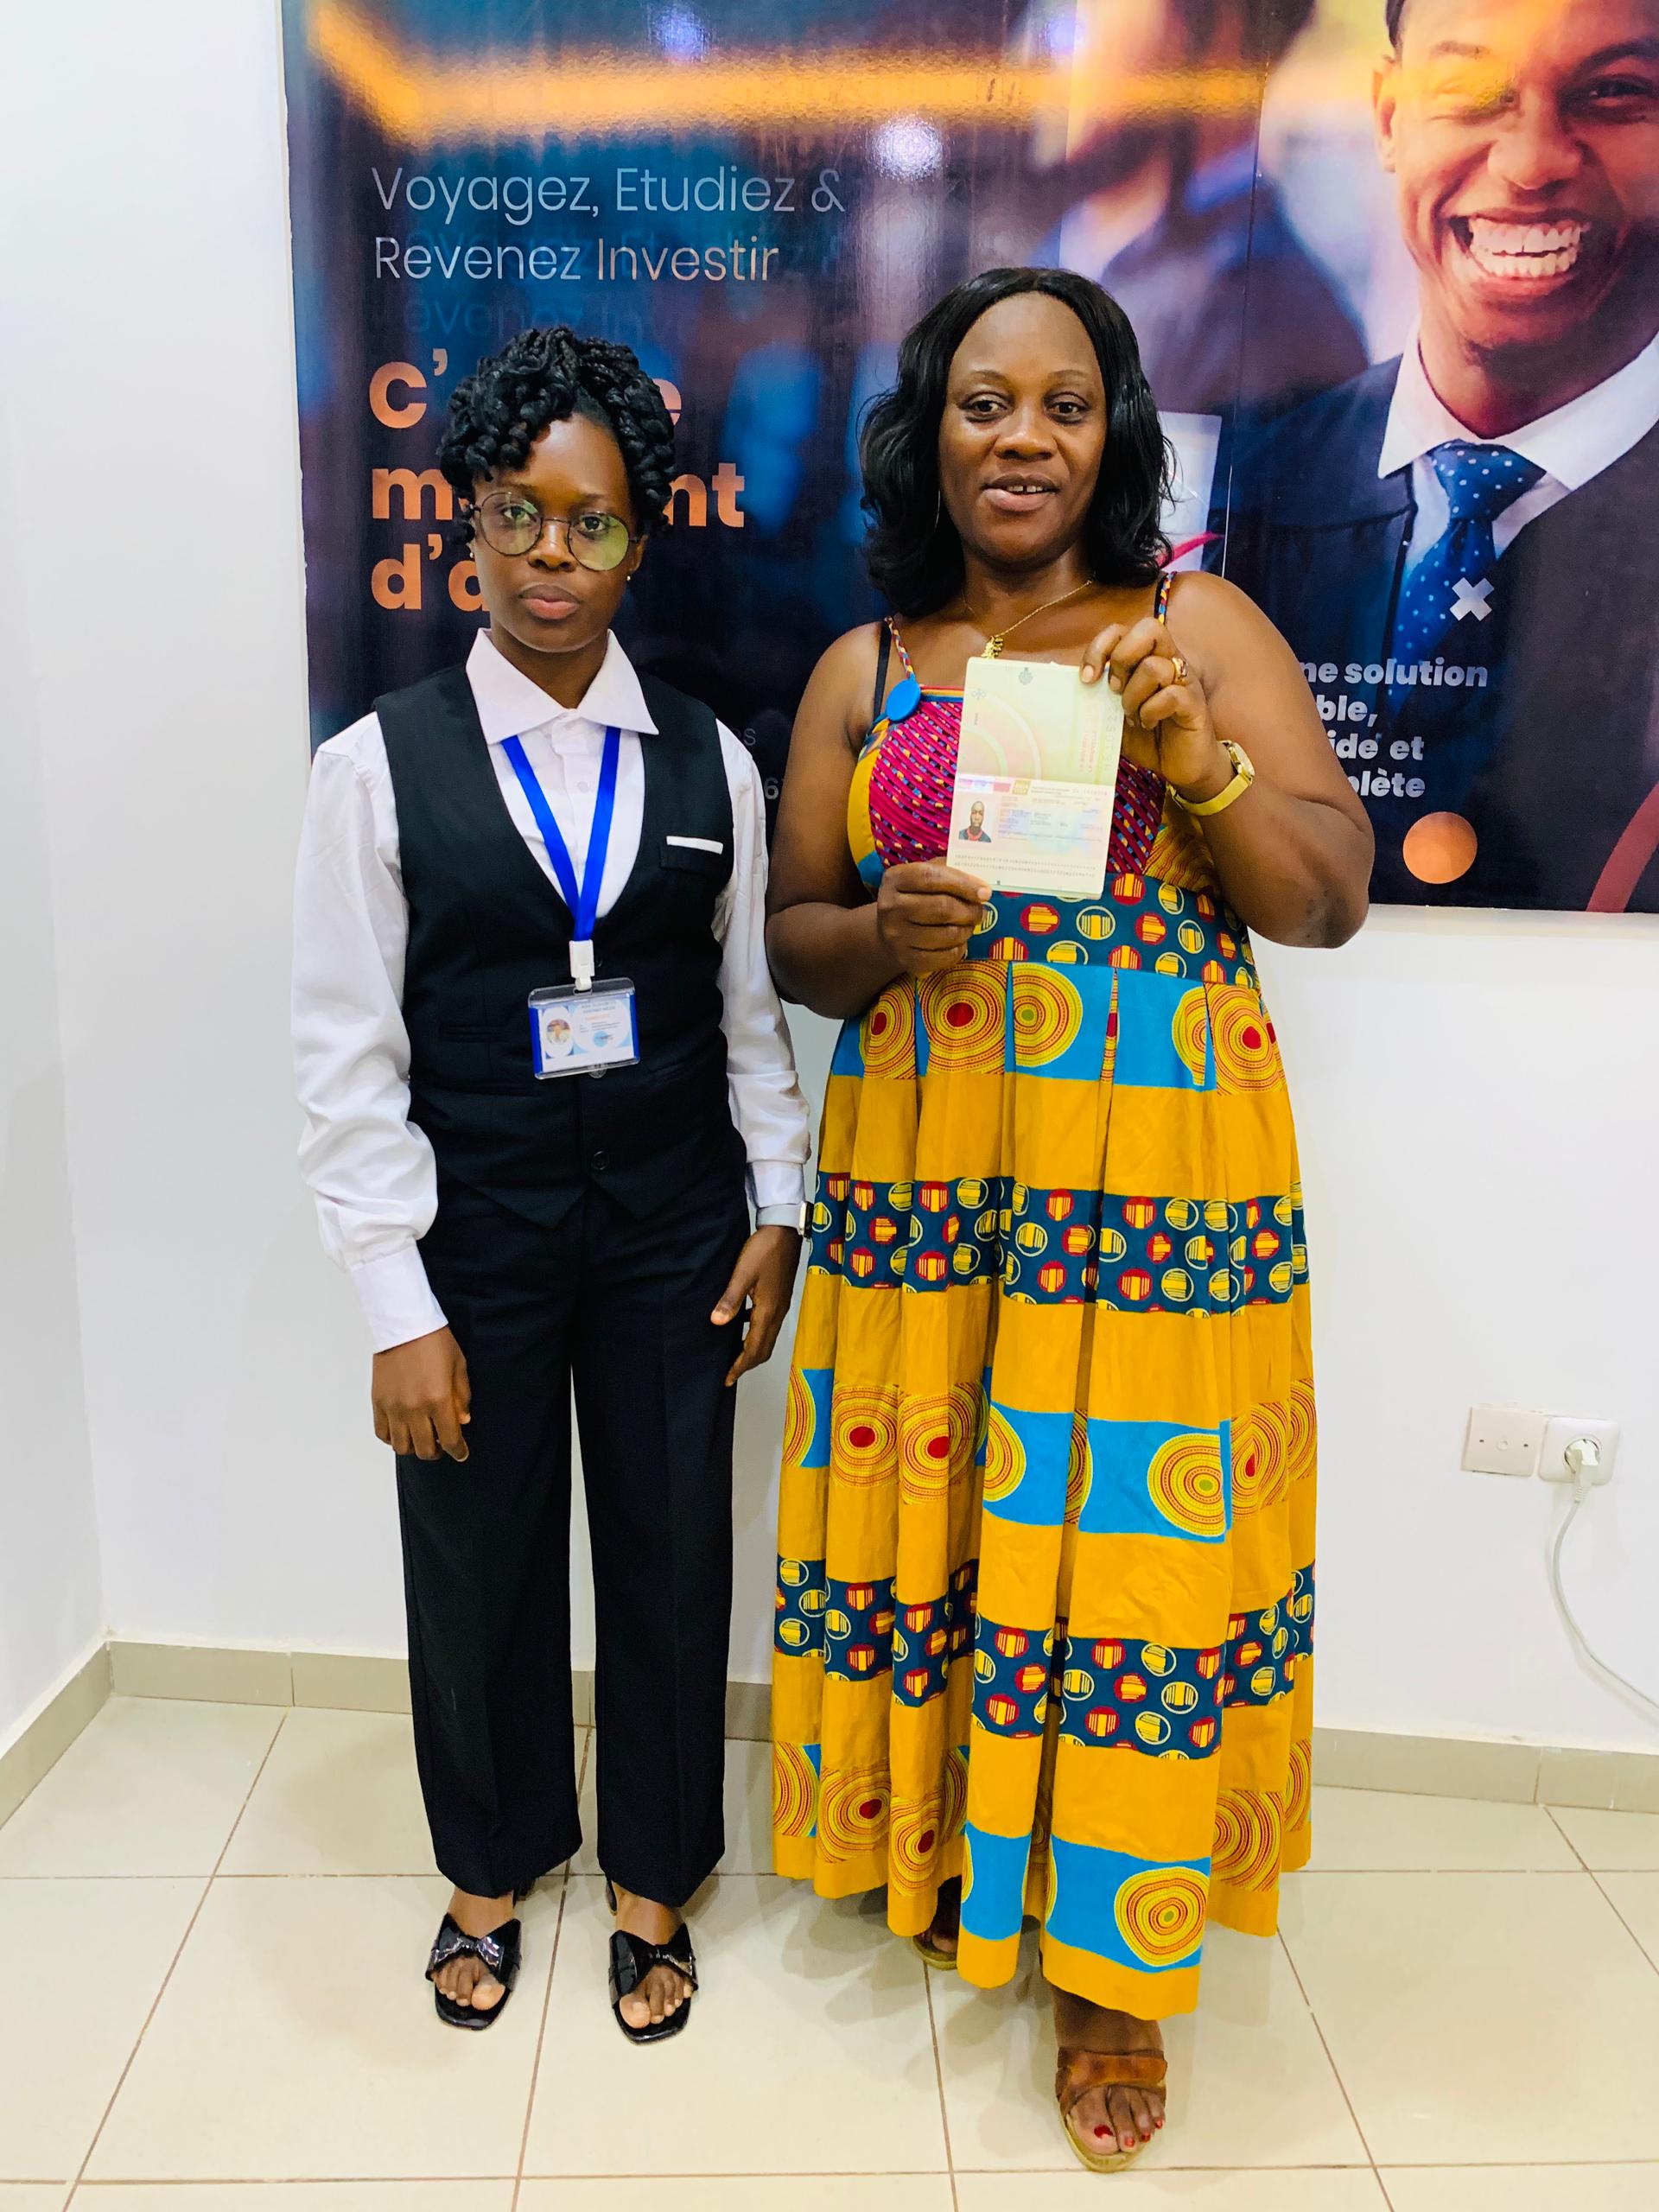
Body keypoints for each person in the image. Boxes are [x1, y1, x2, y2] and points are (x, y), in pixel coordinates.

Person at [765, 267, 1370, 2171]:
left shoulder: (1198, 624)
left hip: (1151, 1207)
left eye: (1064, 404)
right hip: (930, 1187)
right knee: (952, 1522)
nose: (1021, 437)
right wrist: (880, 933)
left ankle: (1115, 1968)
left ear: (1116, 436)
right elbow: (791, 940)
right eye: (982, 403)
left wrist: (1202, 759)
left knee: (1124, 1558)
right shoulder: (867, 665)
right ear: (927, 434)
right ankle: (948, 1851)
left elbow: (1328, 896)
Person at [293, 326, 811, 2041]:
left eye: (591, 522)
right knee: (479, 1557)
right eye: (518, 514)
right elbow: (346, 1057)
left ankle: (657, 1874)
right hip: (480, 1238)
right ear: (468, 523)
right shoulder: (376, 769)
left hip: (673, 1232)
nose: (551, 556)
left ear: (640, 540)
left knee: (668, 1551)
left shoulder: (709, 760)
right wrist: (396, 1304)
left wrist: (778, 1208)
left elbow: (748, 1016)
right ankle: (491, 1866)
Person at [1220, 0, 1659, 910]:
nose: (1530, 162)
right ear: (1389, 118)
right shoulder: (1248, 490)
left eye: (1613, 93)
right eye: (1468, 91)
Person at [1028, 0, 1366, 421]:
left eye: (1084, 9)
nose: (1038, 42)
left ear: (1219, 31)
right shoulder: (1075, 251)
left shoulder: (1264, 323)